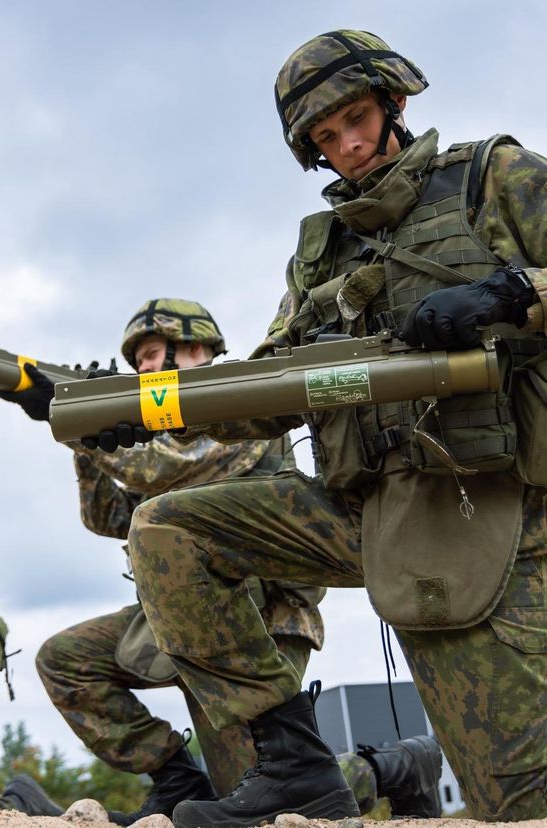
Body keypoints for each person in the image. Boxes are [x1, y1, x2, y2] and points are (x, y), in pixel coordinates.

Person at [90, 30, 547, 826]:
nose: (349, 145)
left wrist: (512, 293)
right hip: (375, 514)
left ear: (395, 103)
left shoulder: (491, 178)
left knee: (519, 801)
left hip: (508, 514)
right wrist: (144, 414)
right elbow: (266, 386)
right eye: (325, 139)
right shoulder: (321, 251)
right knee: (168, 530)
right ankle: (296, 765)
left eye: (358, 119)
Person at [0, 299, 442, 822]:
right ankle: (176, 777)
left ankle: (390, 768)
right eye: (137, 361)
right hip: (180, 613)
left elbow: (158, 470)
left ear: (194, 350)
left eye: (152, 354)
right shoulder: (158, 433)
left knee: (274, 790)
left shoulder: (236, 404)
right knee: (65, 661)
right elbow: (106, 515)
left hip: (255, 618)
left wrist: (83, 416)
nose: (142, 368)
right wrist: (83, 439)